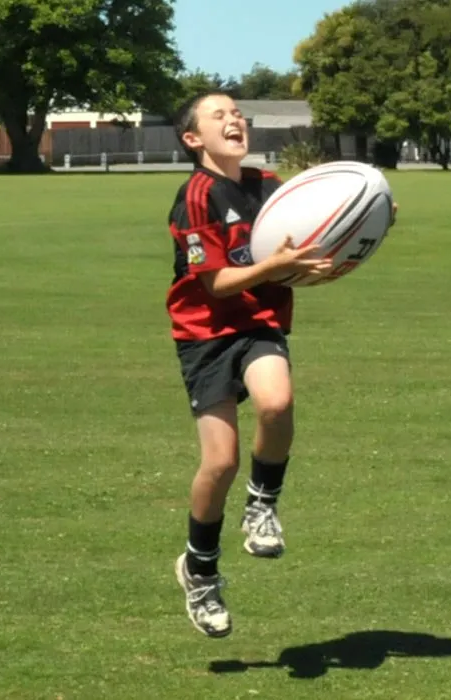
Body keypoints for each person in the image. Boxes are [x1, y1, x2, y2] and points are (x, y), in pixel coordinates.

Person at [165, 92, 333, 638]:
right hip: (205, 335)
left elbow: (310, 239)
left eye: (237, 112)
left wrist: (360, 225)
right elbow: (213, 285)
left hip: (258, 324)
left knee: (277, 403)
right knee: (219, 463)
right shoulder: (195, 197)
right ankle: (200, 569)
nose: (234, 119)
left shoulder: (269, 187)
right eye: (219, 115)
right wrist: (275, 265)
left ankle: (262, 506)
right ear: (194, 139)